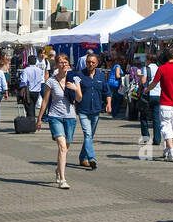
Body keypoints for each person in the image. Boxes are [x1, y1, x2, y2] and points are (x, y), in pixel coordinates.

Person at [35, 53, 81, 189]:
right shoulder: (51, 81)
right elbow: (45, 101)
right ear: (56, 64)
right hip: (55, 116)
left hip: (70, 117)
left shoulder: (74, 79)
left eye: (65, 62)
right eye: (61, 62)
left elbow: (79, 99)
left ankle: (58, 169)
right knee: (61, 145)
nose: (63, 65)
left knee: (65, 148)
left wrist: (75, 89)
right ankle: (62, 179)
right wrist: (39, 119)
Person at [143, 47, 173, 162]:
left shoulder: (162, 69)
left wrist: (147, 89)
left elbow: (154, 83)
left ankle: (169, 149)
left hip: (165, 103)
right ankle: (170, 150)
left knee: (167, 126)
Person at [71, 53, 111, 169]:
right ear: (86, 62)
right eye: (88, 62)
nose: (90, 64)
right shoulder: (79, 75)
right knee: (87, 134)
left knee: (90, 136)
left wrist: (109, 104)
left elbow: (106, 92)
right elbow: (75, 91)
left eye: (93, 62)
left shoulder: (101, 76)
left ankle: (82, 158)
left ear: (97, 63)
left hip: (96, 109)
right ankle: (92, 158)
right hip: (83, 109)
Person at [139, 54, 162, 150]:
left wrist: (139, 75)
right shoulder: (159, 68)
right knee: (156, 118)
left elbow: (144, 81)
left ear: (148, 60)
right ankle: (157, 139)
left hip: (148, 94)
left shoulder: (146, 68)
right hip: (158, 94)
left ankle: (146, 137)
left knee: (143, 116)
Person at [19, 56, 46, 120]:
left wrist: (21, 87)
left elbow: (24, 81)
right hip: (36, 91)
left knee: (29, 107)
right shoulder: (39, 70)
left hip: (28, 90)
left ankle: (31, 121)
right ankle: (32, 120)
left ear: (28, 62)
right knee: (32, 106)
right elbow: (41, 79)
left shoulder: (26, 70)